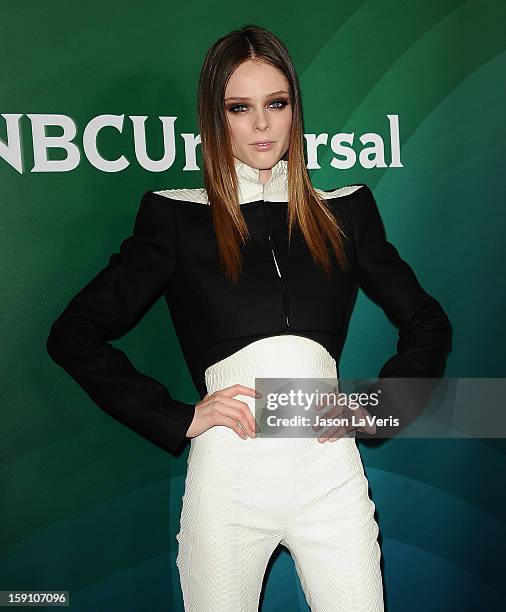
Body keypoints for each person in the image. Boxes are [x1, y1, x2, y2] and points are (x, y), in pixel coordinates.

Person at [46, 24, 452, 612]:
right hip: (230, 477)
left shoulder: (346, 210)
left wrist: (373, 407)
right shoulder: (175, 217)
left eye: (276, 104)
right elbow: (75, 334)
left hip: (328, 473)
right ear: (217, 117)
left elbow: (428, 323)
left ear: (294, 110)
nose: (262, 125)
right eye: (241, 107)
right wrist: (178, 416)